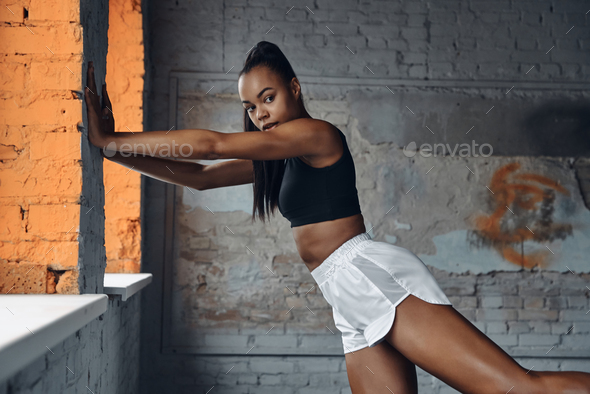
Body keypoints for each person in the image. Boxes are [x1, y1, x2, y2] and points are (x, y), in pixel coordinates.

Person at [85, 41, 590, 393]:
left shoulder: (316, 134)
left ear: (295, 88)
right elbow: (199, 175)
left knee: (513, 388)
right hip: (344, 296)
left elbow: (213, 143)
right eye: (251, 106)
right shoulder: (278, 158)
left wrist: (115, 139)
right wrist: (115, 155)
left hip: (371, 277)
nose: (260, 112)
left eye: (268, 97)